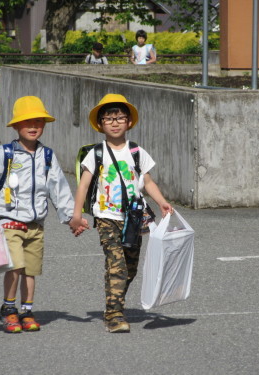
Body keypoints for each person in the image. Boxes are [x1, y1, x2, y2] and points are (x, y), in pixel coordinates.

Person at [0, 96, 88, 333]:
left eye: (38, 121)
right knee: (15, 266)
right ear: (15, 126)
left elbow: (59, 189)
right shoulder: (5, 154)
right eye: (27, 122)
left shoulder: (47, 156)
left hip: (36, 225)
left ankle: (27, 310)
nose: (33, 126)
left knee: (31, 270)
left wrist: (71, 218)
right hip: (9, 221)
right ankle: (9, 308)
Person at [69, 94, 173, 333]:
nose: (115, 122)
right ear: (100, 124)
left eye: (120, 118)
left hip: (134, 219)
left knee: (130, 268)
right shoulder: (96, 153)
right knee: (117, 265)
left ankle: (112, 303)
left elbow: (147, 182)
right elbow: (83, 186)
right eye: (109, 119)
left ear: (128, 122)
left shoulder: (137, 151)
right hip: (106, 217)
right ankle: (115, 314)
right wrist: (77, 215)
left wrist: (162, 202)